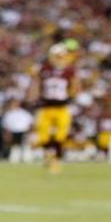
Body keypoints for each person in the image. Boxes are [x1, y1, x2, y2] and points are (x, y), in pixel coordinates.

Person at [33, 43, 76, 173]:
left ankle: (56, 161)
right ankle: (48, 156)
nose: (58, 59)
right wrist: (35, 97)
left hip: (62, 106)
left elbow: (74, 86)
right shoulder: (44, 69)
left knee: (61, 136)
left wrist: (72, 96)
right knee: (43, 136)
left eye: (61, 56)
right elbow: (37, 84)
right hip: (46, 106)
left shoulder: (69, 71)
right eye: (56, 56)